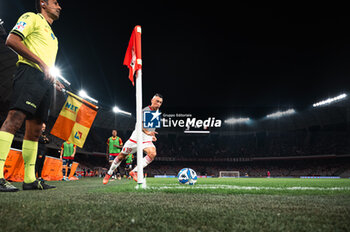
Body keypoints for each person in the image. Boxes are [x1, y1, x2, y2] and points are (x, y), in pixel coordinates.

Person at [0, 0, 63, 192]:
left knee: (36, 130)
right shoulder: (31, 18)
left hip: (44, 81)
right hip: (28, 73)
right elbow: (11, 40)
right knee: (15, 119)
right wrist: (42, 64)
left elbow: (47, 62)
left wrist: (53, 79)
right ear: (43, 3)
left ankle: (29, 179)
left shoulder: (53, 36)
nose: (59, 6)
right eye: (55, 2)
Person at [103, 94, 163, 184]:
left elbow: (152, 127)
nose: (158, 104)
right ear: (152, 100)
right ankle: (109, 173)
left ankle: (134, 171)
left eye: (160, 102)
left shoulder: (158, 112)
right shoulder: (145, 111)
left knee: (152, 153)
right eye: (157, 101)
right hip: (136, 138)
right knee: (121, 156)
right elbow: (140, 125)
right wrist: (147, 132)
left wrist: (152, 135)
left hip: (146, 139)